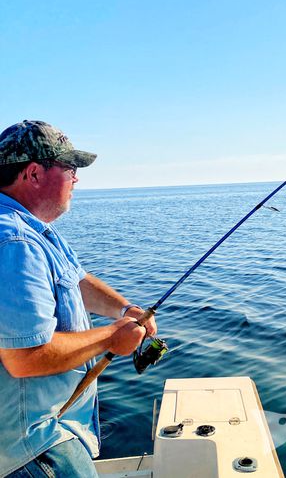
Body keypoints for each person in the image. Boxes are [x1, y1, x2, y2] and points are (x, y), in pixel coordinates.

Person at [0, 120, 157, 477]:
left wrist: (124, 309)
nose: (76, 179)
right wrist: (111, 337)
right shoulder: (15, 242)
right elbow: (24, 359)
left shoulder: (33, 231)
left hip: (46, 429)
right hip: (32, 446)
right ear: (34, 173)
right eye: (69, 168)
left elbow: (78, 279)